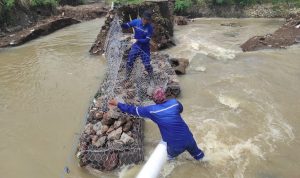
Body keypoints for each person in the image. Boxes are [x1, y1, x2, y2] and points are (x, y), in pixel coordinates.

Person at [109, 87, 205, 161]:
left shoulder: (151, 110)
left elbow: (132, 110)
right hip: (189, 139)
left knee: (169, 160)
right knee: (201, 159)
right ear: (165, 96)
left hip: (175, 145)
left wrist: (117, 103)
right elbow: (181, 110)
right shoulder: (174, 103)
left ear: (154, 100)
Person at [120, 10, 154, 80]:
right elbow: (127, 26)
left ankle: (151, 76)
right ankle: (127, 76)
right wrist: (121, 24)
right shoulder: (136, 21)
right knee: (130, 61)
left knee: (147, 64)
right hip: (136, 46)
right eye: (144, 19)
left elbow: (146, 40)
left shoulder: (150, 27)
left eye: (147, 19)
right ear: (142, 17)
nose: (145, 20)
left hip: (145, 47)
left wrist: (137, 40)